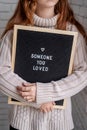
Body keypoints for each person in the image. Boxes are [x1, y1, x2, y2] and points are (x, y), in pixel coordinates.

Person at [0, 0, 87, 130]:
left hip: (60, 124)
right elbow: (1, 73)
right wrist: (37, 100)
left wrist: (43, 93)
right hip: (22, 124)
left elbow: (83, 72)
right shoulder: (14, 33)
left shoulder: (72, 31)